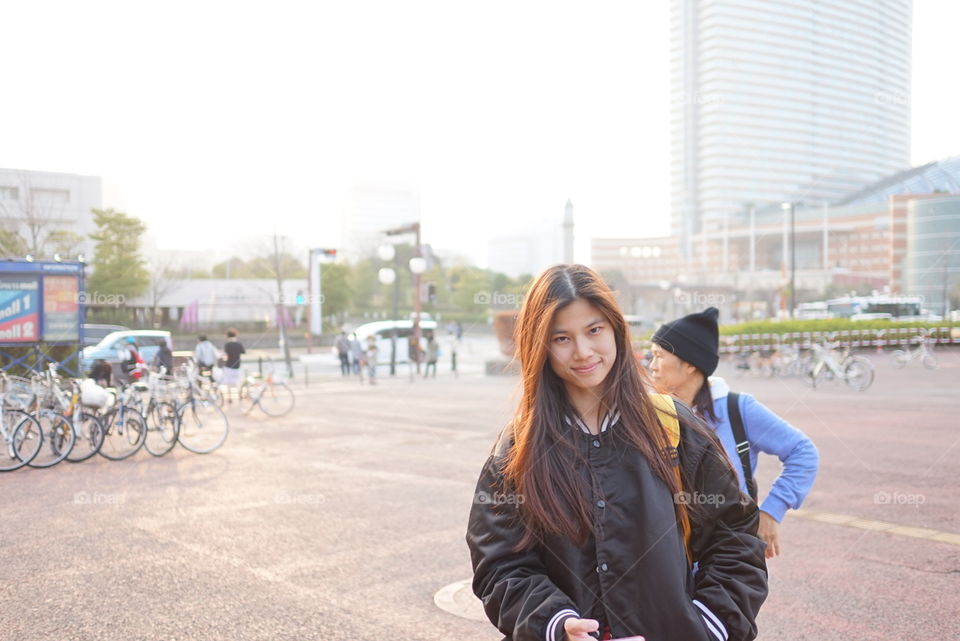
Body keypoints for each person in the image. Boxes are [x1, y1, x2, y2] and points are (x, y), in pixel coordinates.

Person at [467, 265, 767, 641]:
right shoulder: (520, 447)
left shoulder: (672, 426)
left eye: (594, 330)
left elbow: (734, 536)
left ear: (615, 329)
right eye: (561, 338)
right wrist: (555, 623)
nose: (582, 351)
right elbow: (500, 562)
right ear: (539, 346)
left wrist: (707, 626)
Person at [649, 307, 819, 559]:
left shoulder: (737, 409)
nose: (651, 366)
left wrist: (772, 511)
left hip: (729, 553)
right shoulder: (652, 412)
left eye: (658, 356)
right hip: (669, 554)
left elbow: (803, 452)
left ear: (689, 365)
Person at [221, 328, 246, 402]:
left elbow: (226, 356)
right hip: (237, 366)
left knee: (228, 382)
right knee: (238, 381)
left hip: (228, 365)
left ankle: (229, 397)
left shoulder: (227, 345)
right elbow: (243, 352)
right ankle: (239, 395)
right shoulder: (239, 344)